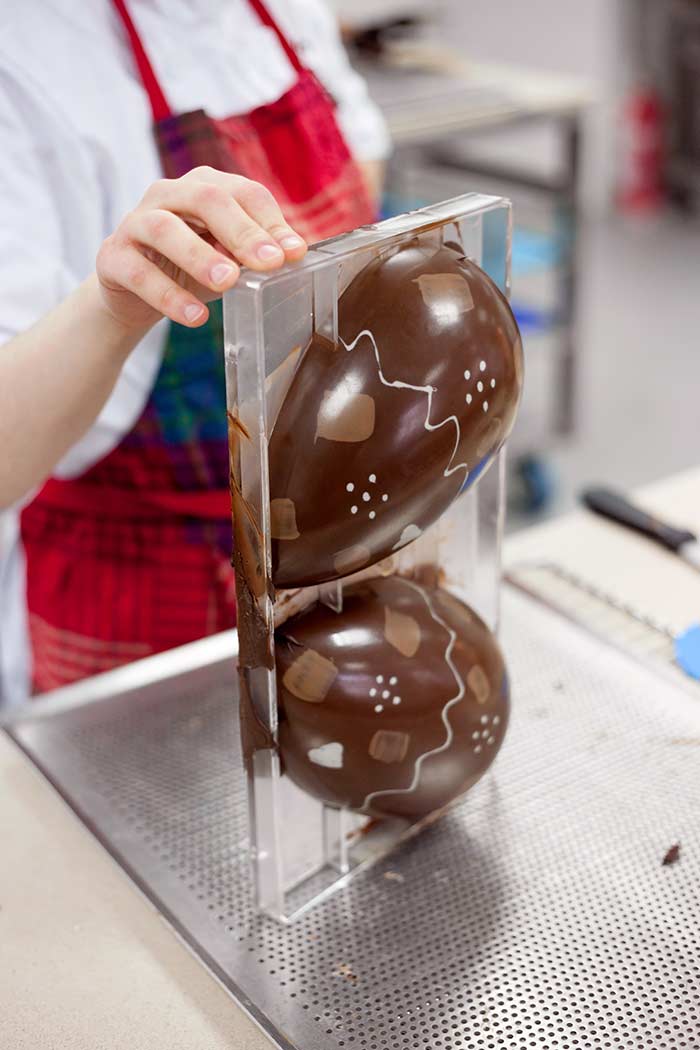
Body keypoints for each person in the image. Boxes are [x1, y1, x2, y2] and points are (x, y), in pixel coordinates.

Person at [0, 0, 390, 704]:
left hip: (326, 554)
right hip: (141, 582)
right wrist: (109, 307)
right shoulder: (25, 57)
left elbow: (362, 166)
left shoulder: (286, 12)